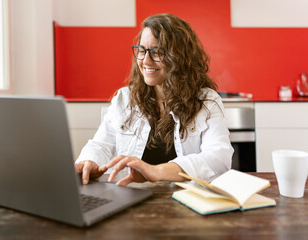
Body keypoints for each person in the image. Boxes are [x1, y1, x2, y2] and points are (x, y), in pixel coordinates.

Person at [75, 13, 233, 186]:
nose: (145, 61)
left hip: (188, 200)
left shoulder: (207, 101)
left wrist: (157, 171)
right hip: (131, 199)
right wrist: (88, 161)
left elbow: (219, 158)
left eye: (157, 52)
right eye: (142, 51)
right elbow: (100, 145)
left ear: (180, 57)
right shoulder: (124, 98)